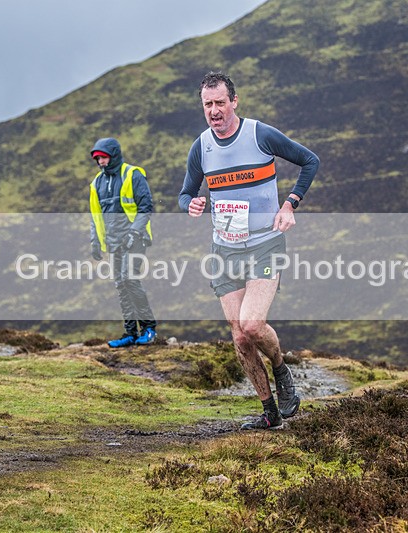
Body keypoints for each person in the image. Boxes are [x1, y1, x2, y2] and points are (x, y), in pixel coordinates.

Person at [178, 71, 320, 430]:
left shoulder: (260, 134)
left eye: (220, 103)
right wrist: (190, 205)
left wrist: (290, 204)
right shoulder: (202, 146)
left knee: (253, 324)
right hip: (225, 249)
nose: (214, 111)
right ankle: (269, 411)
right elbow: (185, 192)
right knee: (239, 335)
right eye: (207, 104)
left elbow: (310, 161)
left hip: (264, 244)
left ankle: (281, 368)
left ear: (234, 102)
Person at [89, 137, 157, 347]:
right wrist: (95, 242)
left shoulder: (132, 174)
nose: (100, 162)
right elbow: (95, 215)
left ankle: (149, 328)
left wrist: (133, 233)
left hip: (135, 239)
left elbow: (146, 207)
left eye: (103, 157)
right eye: (97, 158)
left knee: (130, 279)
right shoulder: (96, 183)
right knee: (120, 284)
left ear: (114, 155)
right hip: (113, 242)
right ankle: (130, 333)